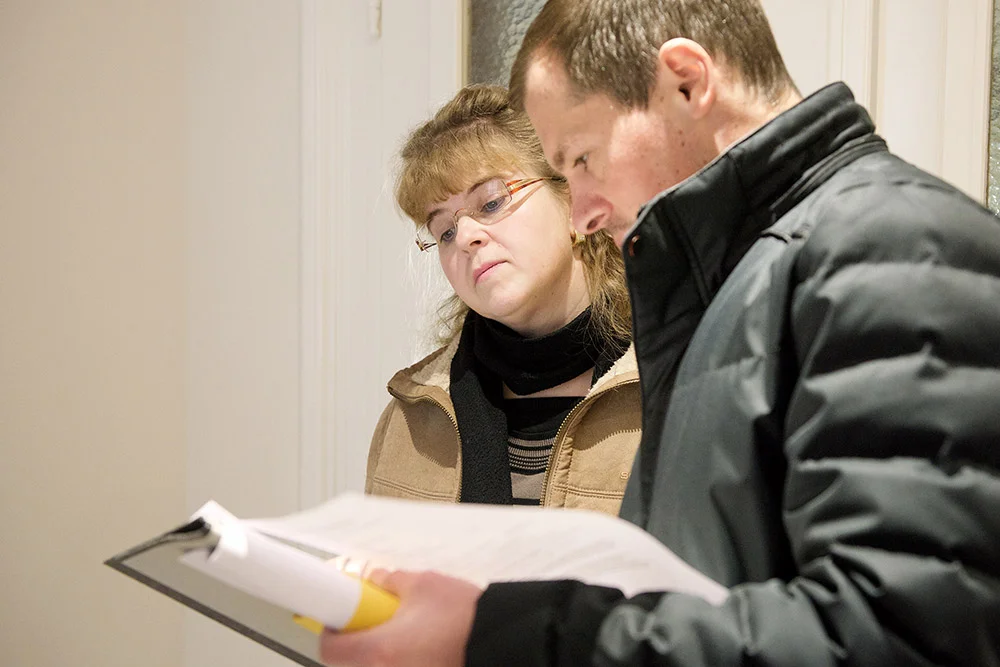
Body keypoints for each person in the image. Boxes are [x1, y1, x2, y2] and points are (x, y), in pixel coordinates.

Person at [320, 1, 1000, 665]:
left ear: (687, 83)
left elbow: (901, 634)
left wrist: (504, 635)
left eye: (582, 159)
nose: (582, 214)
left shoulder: (895, 245)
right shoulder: (727, 291)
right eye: (442, 229)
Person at [364, 84, 641, 514]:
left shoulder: (670, 383)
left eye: (491, 203)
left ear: (572, 200)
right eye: (445, 231)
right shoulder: (412, 418)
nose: (465, 237)